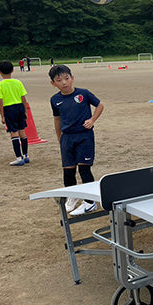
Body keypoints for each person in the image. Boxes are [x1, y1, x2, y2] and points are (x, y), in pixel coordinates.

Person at [48, 65, 105, 216]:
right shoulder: (55, 100)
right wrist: (59, 137)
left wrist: (92, 120)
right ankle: (72, 196)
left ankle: (90, 203)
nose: (64, 83)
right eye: (59, 80)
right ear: (53, 83)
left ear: (72, 78)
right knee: (68, 171)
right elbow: (57, 119)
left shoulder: (83, 94)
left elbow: (100, 105)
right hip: (67, 137)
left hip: (84, 136)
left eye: (67, 78)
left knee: (84, 169)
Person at [0, 60, 30, 166]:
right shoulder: (18, 82)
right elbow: (23, 98)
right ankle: (26, 155)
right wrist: (25, 111)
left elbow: (0, 101)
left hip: (9, 109)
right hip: (19, 108)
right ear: (13, 70)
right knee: (22, 132)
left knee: (14, 133)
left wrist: (2, 115)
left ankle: (19, 157)